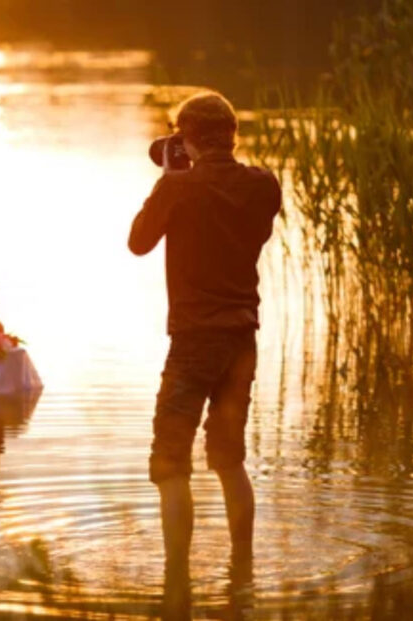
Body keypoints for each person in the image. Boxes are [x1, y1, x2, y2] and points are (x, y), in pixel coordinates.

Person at [127, 92, 281, 597]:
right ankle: (243, 571)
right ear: (233, 134)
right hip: (242, 339)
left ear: (187, 137)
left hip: (194, 340)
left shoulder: (179, 189)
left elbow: (138, 242)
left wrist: (170, 180)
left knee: (171, 463)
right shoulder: (264, 186)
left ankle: (177, 582)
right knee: (229, 459)